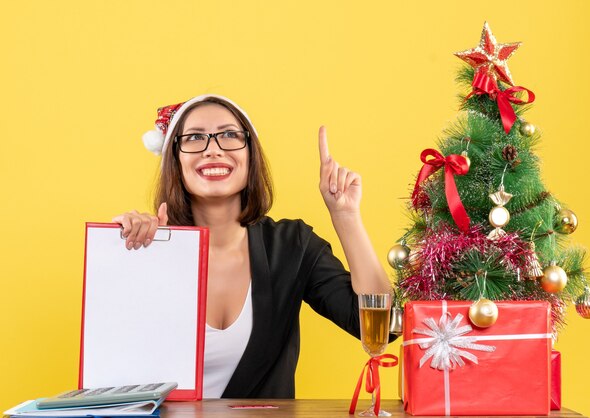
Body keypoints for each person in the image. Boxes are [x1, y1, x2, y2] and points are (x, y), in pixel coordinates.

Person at [112, 94, 391, 398]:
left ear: (251, 155)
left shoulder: (292, 246)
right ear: (175, 160)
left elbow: (379, 328)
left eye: (229, 135)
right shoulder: (150, 247)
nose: (214, 149)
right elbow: (119, 373)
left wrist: (345, 215)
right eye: (194, 138)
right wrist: (130, 259)